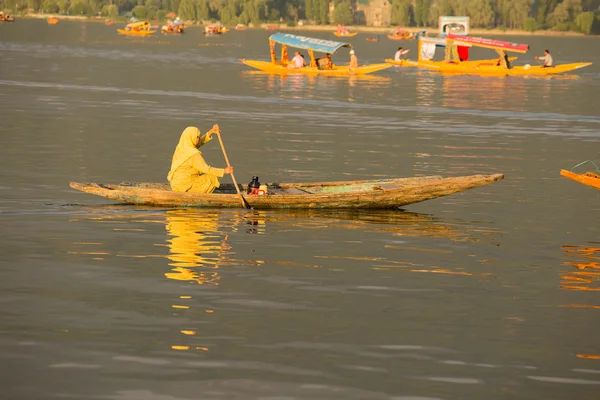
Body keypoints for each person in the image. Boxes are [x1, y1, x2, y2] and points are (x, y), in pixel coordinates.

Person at [167, 125, 233, 194]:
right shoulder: (193, 154)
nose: (199, 139)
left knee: (202, 174)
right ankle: (198, 194)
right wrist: (224, 171)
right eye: (197, 137)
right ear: (192, 138)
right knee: (213, 177)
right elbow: (206, 169)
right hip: (184, 186)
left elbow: (198, 143)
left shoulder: (181, 147)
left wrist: (211, 132)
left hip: (175, 184)